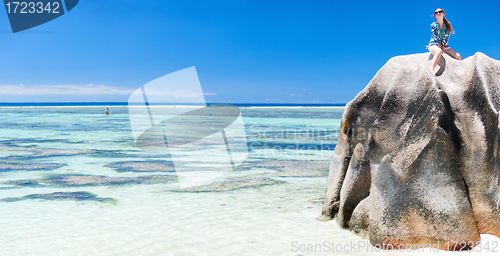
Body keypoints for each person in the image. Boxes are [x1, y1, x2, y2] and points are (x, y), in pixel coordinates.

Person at [427, 8, 461, 76]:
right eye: (436, 12)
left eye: (440, 11)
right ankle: (432, 69)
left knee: (458, 56)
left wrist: (443, 47)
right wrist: (440, 48)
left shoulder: (447, 25)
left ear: (443, 14)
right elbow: (435, 37)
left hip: (444, 45)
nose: (438, 13)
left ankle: (456, 71)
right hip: (434, 44)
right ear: (435, 15)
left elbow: (446, 37)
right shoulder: (433, 25)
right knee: (438, 51)